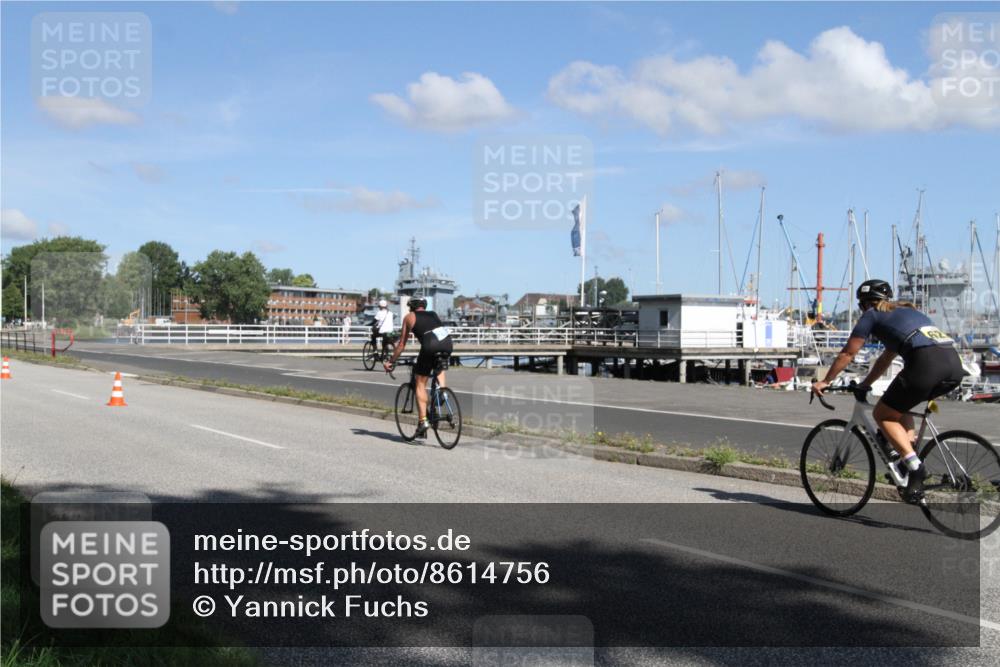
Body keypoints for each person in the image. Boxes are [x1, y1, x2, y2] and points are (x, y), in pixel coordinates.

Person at [811, 279, 966, 503]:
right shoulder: (907, 312)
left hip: (926, 364)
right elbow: (885, 359)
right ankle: (907, 460)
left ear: (864, 303)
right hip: (953, 365)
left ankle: (915, 468)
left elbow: (848, 354)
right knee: (898, 407)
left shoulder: (872, 315)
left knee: (882, 415)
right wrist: (866, 384)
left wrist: (825, 380)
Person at [384, 297, 453, 438]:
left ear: (411, 307)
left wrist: (391, 361)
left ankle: (422, 422)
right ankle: (442, 391)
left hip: (430, 345)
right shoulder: (433, 314)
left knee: (420, 383)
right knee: (438, 365)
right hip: (447, 343)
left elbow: (401, 344)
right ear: (424, 306)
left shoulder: (409, 317)